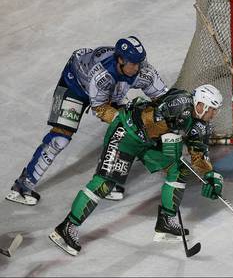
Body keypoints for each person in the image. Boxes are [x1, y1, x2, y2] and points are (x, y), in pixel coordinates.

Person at [49, 85, 224, 256]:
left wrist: (209, 175)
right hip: (126, 133)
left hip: (147, 143)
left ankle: (166, 223)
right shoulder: (179, 102)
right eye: (213, 109)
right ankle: (67, 227)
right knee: (105, 183)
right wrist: (170, 139)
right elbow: (148, 121)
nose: (214, 114)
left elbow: (199, 153)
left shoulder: (201, 124)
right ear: (201, 104)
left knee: (179, 170)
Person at [6, 36, 168, 205]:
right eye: (133, 64)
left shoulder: (140, 70)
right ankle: (22, 186)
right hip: (74, 85)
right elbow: (100, 109)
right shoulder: (102, 74)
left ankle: (106, 182)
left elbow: (163, 97)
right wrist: (130, 120)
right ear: (120, 60)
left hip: (106, 91)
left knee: (124, 130)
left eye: (139, 63)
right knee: (60, 139)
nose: (137, 68)